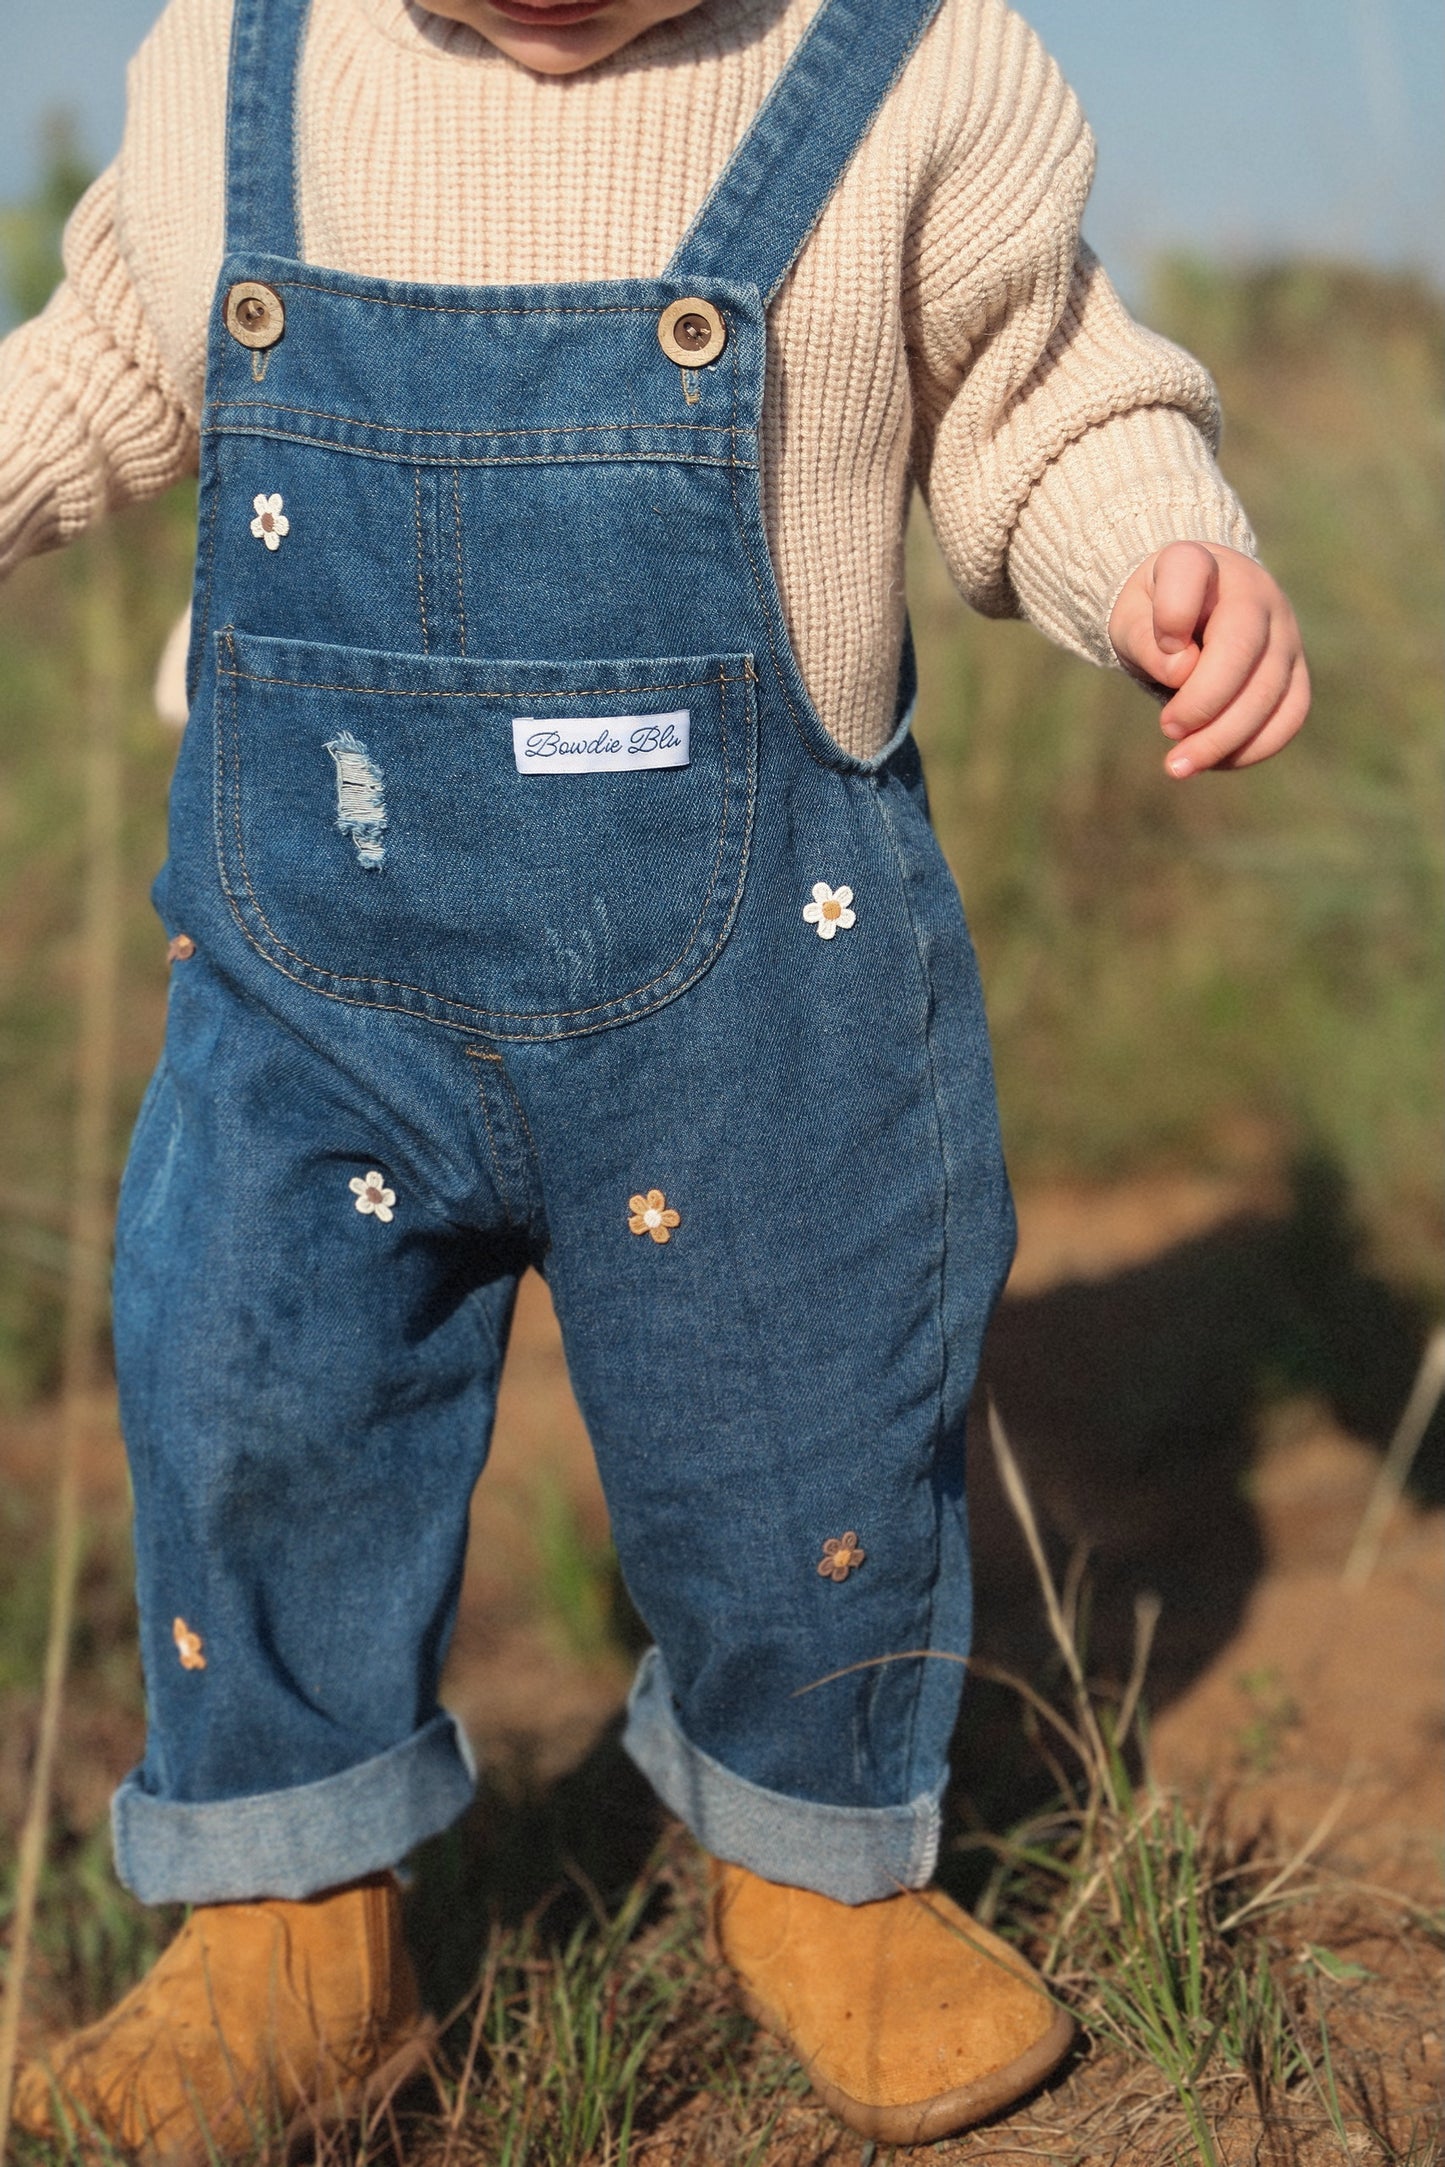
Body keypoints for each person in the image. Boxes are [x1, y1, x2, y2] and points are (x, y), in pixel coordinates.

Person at [2, 0, 1309, 2152]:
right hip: (311, 964)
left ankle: (818, 1870)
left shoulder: (918, 72)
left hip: (753, 999)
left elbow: (1040, 398)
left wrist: (1160, 556)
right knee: (251, 1402)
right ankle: (289, 1927)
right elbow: (119, 359)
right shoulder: (231, 61)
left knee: (805, 1424)